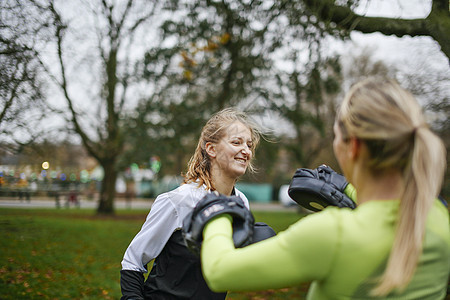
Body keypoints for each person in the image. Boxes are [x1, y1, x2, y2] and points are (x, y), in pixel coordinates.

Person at [199, 77, 449, 299]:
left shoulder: (333, 233)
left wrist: (219, 210)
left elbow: (219, 271)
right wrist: (349, 191)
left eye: (336, 136)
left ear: (353, 147)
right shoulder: (437, 216)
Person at [120, 107, 262, 299]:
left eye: (249, 145)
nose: (245, 151)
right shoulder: (181, 200)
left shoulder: (241, 203)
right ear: (211, 149)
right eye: (236, 142)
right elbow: (133, 261)